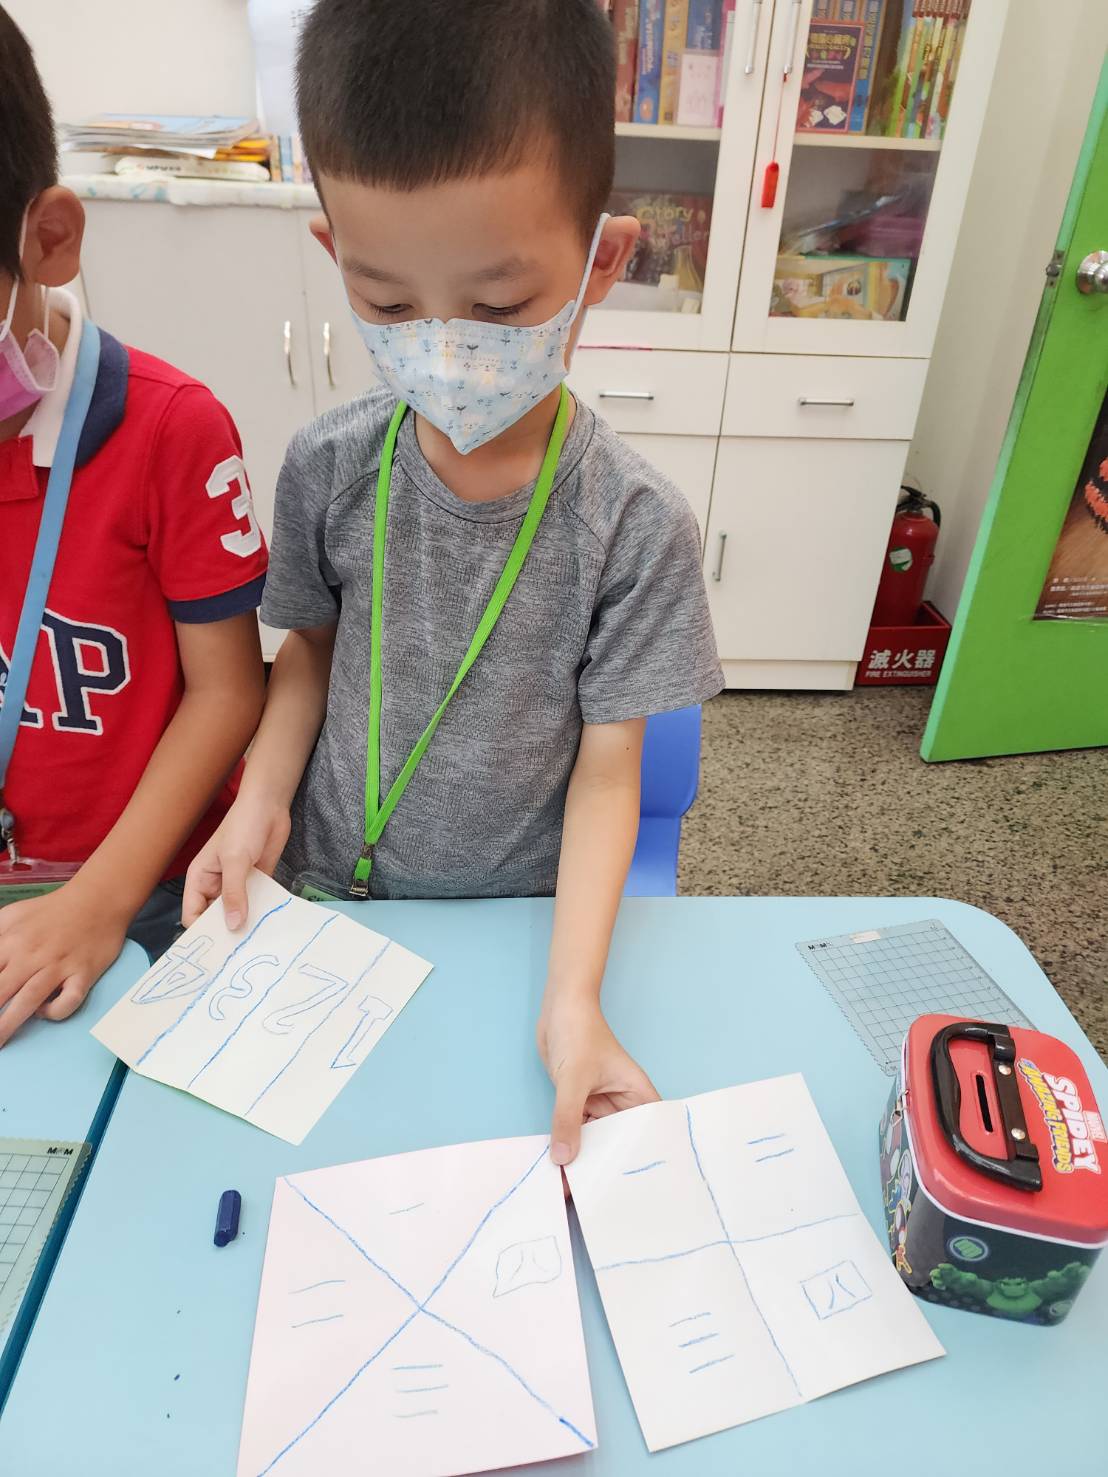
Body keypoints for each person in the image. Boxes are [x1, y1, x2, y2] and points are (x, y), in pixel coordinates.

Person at [183, 0, 722, 1162]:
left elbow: (610, 771)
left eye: (498, 306)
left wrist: (572, 1001)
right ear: (333, 254)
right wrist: (259, 796)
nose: (441, 345)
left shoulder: (633, 526)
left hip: (512, 927)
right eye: (386, 303)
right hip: (325, 906)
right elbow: (309, 653)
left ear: (602, 260)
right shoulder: (326, 467)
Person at [0, 7, 268, 1046]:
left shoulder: (171, 430)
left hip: (138, 885)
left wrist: (101, 901)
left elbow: (228, 690)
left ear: (48, 240)